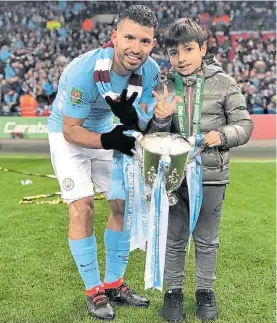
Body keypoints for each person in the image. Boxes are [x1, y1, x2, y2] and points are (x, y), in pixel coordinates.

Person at [47, 5, 160, 321]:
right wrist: (110, 141)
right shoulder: (83, 70)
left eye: (145, 41)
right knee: (82, 207)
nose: (136, 48)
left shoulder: (151, 72)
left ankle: (114, 284)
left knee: (122, 204)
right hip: (67, 134)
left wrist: (134, 126)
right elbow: (71, 130)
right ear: (114, 37)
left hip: (104, 131)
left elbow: (145, 122)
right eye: (129, 38)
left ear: (152, 43)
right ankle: (94, 291)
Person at [149, 18, 253, 322]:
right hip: (174, 177)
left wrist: (221, 136)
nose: (181, 58)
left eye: (188, 49)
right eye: (173, 52)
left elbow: (245, 125)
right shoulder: (165, 85)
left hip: (211, 175)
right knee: (175, 238)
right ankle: (173, 293)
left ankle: (205, 291)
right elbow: (156, 135)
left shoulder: (224, 83)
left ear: (203, 48)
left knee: (207, 240)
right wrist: (160, 119)